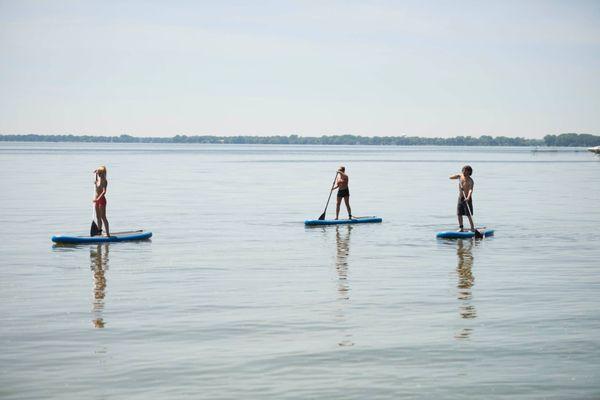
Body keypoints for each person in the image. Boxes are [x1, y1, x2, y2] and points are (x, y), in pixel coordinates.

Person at [450, 165, 475, 232]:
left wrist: (468, 197)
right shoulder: (460, 176)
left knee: (468, 214)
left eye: (466, 171)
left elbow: (470, 190)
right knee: (459, 214)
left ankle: (472, 228)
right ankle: (461, 228)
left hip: (467, 199)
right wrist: (457, 176)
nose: (464, 172)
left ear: (469, 172)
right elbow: (450, 177)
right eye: (463, 170)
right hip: (460, 198)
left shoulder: (470, 181)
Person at [93, 166, 110, 237]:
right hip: (96, 200)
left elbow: (104, 192)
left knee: (103, 217)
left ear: (103, 173)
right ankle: (99, 232)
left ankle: (108, 234)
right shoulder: (98, 180)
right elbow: (96, 184)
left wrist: (98, 199)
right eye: (99, 173)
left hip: (102, 200)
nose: (99, 174)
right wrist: (96, 174)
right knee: (98, 217)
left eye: (100, 173)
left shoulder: (104, 181)